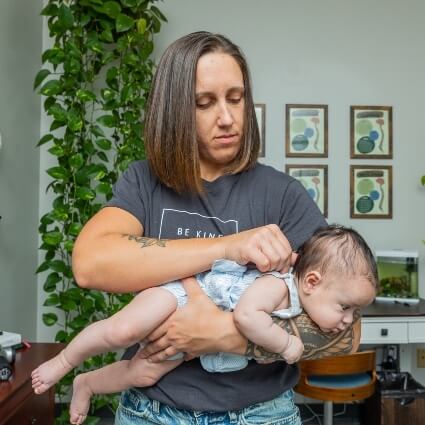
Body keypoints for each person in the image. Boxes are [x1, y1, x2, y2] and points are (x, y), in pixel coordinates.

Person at [61, 31, 362, 424]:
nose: (227, 117)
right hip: (150, 412)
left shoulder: (283, 195)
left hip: (261, 414)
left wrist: (224, 334)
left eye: (236, 99)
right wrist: (226, 248)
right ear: (175, 111)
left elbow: (348, 335)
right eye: (205, 103)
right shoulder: (144, 184)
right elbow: (89, 264)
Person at [31, 225, 377, 424]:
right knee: (122, 331)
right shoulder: (278, 286)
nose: (348, 320)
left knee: (143, 373)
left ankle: (88, 383)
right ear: (312, 281)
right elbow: (246, 317)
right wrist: (286, 345)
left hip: (189, 346)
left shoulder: (303, 299)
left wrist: (267, 351)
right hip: (179, 295)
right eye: (345, 308)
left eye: (355, 312)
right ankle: (65, 361)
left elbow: (254, 348)